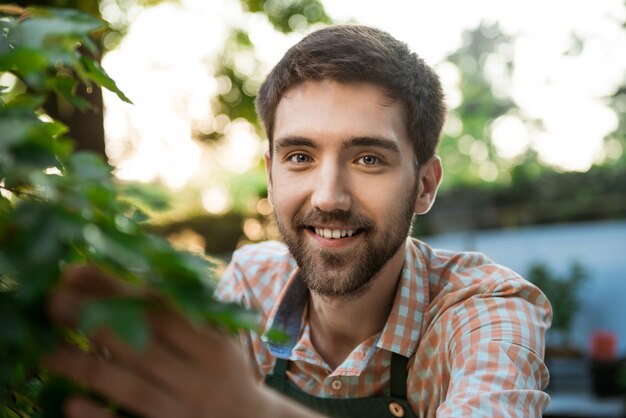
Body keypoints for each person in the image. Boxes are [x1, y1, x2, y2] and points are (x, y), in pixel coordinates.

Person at [46, 25, 552, 418]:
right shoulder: (251, 284)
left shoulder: (488, 310)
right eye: (300, 157)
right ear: (270, 177)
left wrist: (249, 410)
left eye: (368, 159)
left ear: (424, 185)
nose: (329, 197)